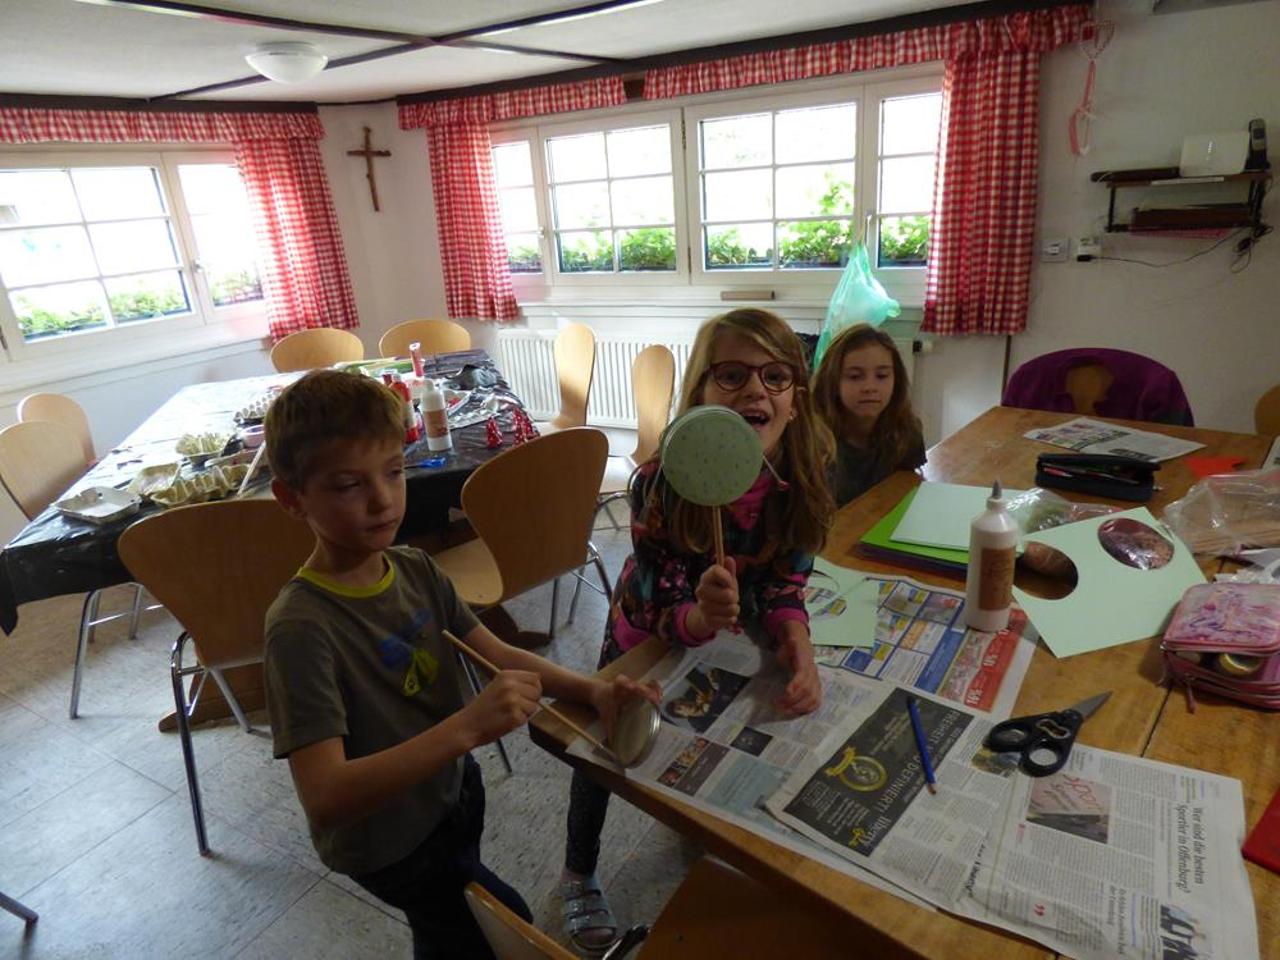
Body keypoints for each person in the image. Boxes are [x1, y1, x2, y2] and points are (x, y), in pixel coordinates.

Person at [261, 369, 655, 960]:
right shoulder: (300, 627)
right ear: (292, 498)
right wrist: (467, 727)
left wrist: (590, 690)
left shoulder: (415, 568)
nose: (383, 499)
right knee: (496, 928)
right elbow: (325, 795)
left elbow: (497, 653)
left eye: (394, 472)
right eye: (348, 485)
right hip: (390, 842)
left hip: (447, 797)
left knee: (455, 929)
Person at [560, 307, 835, 952]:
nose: (756, 390)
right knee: (605, 750)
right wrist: (697, 616)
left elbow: (785, 583)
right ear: (701, 393)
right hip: (645, 637)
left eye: (775, 376)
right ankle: (577, 867)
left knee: (699, 747)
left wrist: (798, 644)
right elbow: (653, 595)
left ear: (795, 401)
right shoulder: (659, 481)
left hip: (729, 642)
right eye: (732, 374)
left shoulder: (803, 481)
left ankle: (692, 823)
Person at [811, 323, 926, 507]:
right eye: (855, 377)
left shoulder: (907, 430)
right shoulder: (814, 442)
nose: (870, 388)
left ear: (896, 379)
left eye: (882, 376)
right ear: (832, 381)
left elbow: (908, 485)